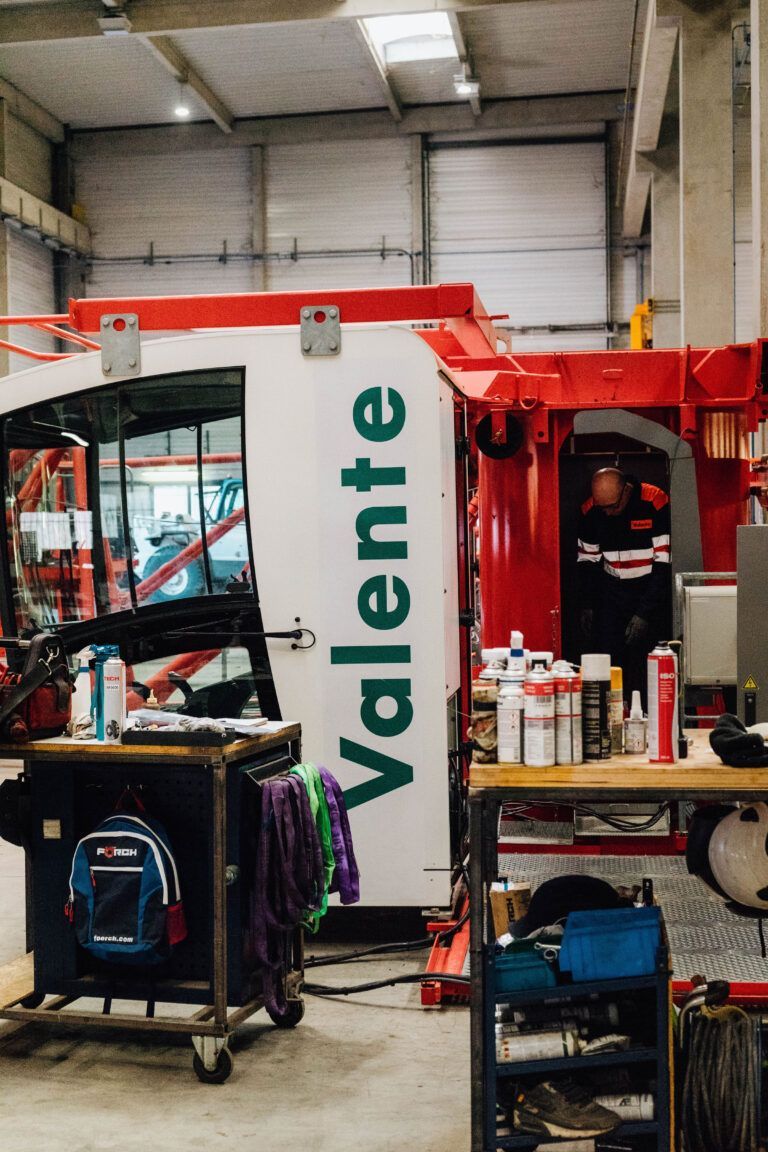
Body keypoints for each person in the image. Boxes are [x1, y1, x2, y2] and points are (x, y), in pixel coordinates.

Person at [577, 466, 670, 701]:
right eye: (603, 508)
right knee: (610, 660)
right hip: (612, 594)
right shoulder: (592, 510)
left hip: (650, 593)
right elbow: (587, 563)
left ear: (626, 491)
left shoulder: (654, 502)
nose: (608, 513)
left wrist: (644, 614)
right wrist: (587, 605)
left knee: (648, 662)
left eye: (613, 507)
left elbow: (663, 565)